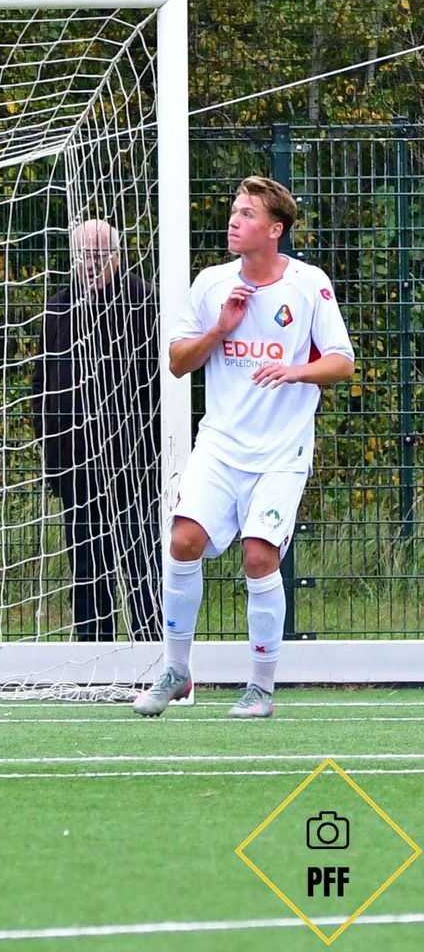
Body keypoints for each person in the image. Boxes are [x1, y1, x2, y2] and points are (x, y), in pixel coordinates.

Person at [135, 176, 354, 720]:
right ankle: (176, 671)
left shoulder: (308, 285)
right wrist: (219, 329)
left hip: (281, 452)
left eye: (248, 214)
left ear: (275, 229)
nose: (234, 221)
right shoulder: (212, 283)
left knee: (259, 555)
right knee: (182, 541)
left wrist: (295, 370)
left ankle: (260, 687)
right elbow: (178, 363)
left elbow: (342, 362)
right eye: (234, 211)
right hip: (220, 445)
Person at [29, 219, 161, 641]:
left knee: (143, 561)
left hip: (136, 462)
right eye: (82, 255)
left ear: (117, 258)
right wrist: (51, 448)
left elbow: (162, 384)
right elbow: (42, 383)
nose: (89, 264)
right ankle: (93, 651)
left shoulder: (144, 302)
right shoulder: (59, 307)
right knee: (87, 566)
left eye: (99, 255)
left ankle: (154, 647)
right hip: (76, 461)